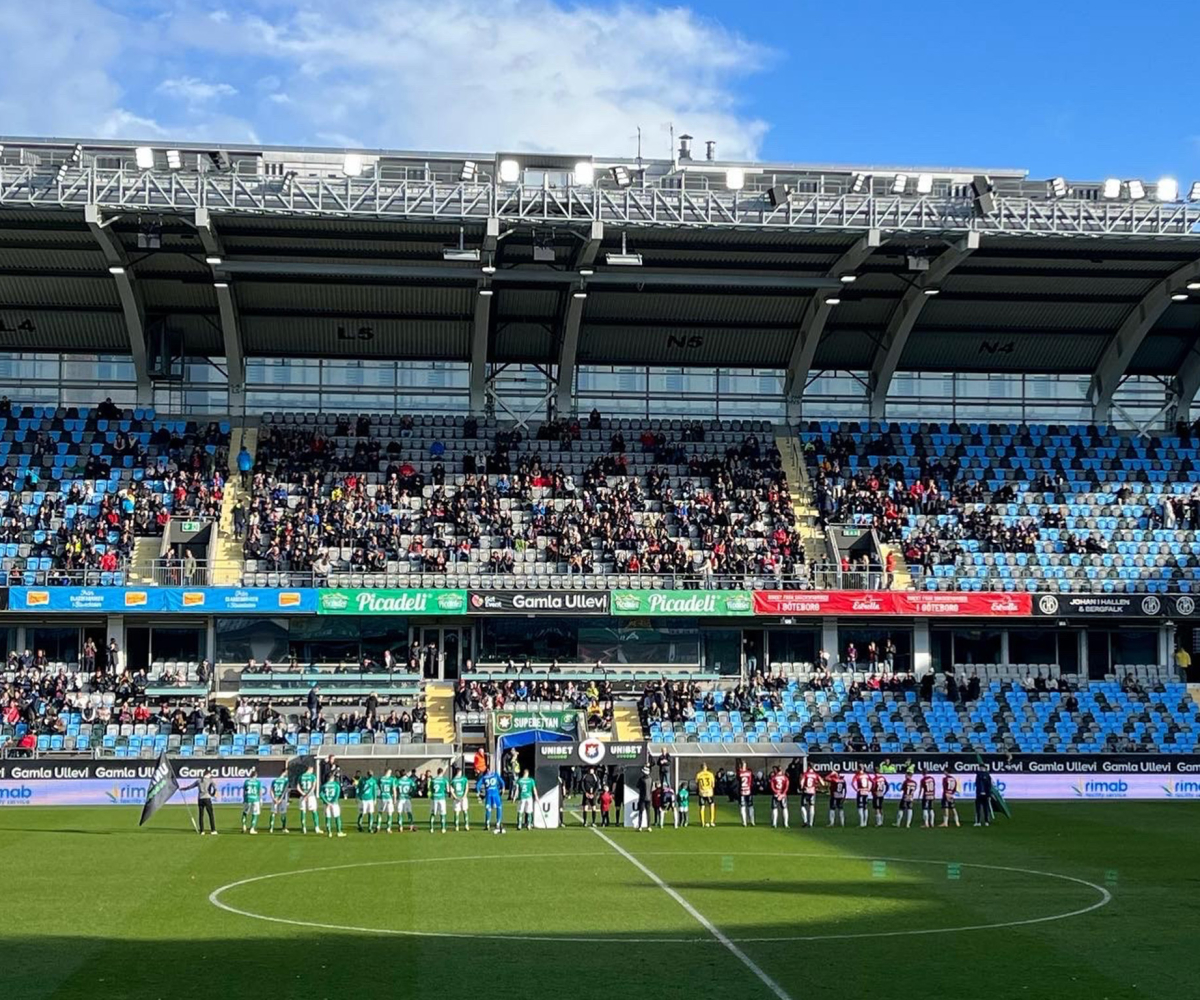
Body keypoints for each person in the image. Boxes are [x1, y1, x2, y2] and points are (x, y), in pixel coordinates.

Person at [181, 769, 217, 835]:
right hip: (207, 798)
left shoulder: (199, 780)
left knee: (201, 815)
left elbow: (190, 786)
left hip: (200, 799)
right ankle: (213, 830)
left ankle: (202, 831)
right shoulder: (210, 780)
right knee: (210, 814)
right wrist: (212, 794)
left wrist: (183, 789)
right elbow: (215, 788)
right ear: (208, 774)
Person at [477, 764, 506, 834]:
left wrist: (478, 792)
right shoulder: (495, 775)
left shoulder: (484, 777)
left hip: (488, 795)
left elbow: (478, 785)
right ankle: (498, 823)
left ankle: (487, 824)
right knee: (499, 808)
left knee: (488, 809)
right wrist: (503, 788)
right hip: (496, 795)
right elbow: (502, 782)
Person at [321, 770, 346, 837]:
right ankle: (339, 832)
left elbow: (321, 795)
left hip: (326, 804)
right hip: (334, 804)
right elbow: (337, 795)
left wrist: (327, 802)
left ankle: (329, 832)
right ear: (333, 778)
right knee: (337, 817)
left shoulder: (324, 786)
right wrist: (332, 802)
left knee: (327, 818)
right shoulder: (336, 785)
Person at [298, 763, 321, 835]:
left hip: (302, 795)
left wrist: (303, 794)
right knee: (314, 811)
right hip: (310, 796)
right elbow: (313, 787)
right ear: (311, 769)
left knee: (303, 811)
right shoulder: (312, 776)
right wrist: (307, 795)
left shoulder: (301, 776)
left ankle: (304, 828)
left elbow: (298, 787)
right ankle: (317, 828)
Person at [798, 763, 823, 828]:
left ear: (808, 767)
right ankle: (811, 823)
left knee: (803, 806)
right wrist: (817, 786)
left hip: (806, 791)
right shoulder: (816, 775)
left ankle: (805, 821)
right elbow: (822, 783)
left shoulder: (805, 774)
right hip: (812, 792)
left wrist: (801, 787)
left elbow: (801, 783)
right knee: (812, 806)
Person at [427, 766, 449, 833]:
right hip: (441, 798)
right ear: (442, 772)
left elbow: (430, 789)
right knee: (442, 813)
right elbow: (448, 790)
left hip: (434, 798)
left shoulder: (433, 780)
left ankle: (431, 828)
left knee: (433, 813)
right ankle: (443, 828)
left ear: (437, 772)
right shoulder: (444, 780)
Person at [696, 763, 716, 827]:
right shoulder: (710, 774)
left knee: (702, 807)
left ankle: (702, 822)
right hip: (709, 792)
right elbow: (713, 785)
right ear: (706, 767)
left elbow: (696, 782)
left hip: (702, 793)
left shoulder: (699, 774)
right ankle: (712, 821)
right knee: (712, 805)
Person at [736, 759, 754, 827]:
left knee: (743, 807)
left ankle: (744, 822)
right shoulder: (749, 772)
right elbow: (751, 781)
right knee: (750, 806)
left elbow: (738, 779)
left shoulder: (739, 773)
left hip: (742, 791)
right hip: (748, 791)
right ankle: (752, 821)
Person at [377, 768, 397, 833]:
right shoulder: (392, 779)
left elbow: (378, 787)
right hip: (388, 798)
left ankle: (378, 826)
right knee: (389, 813)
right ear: (388, 772)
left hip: (381, 797)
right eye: (390, 772)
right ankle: (388, 828)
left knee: (380, 812)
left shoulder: (380, 779)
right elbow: (394, 789)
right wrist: (395, 798)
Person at [634, 766, 651, 832]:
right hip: (649, 797)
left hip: (642, 798)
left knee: (641, 812)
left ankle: (640, 826)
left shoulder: (641, 779)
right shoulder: (650, 779)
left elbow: (637, 786)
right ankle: (649, 826)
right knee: (648, 813)